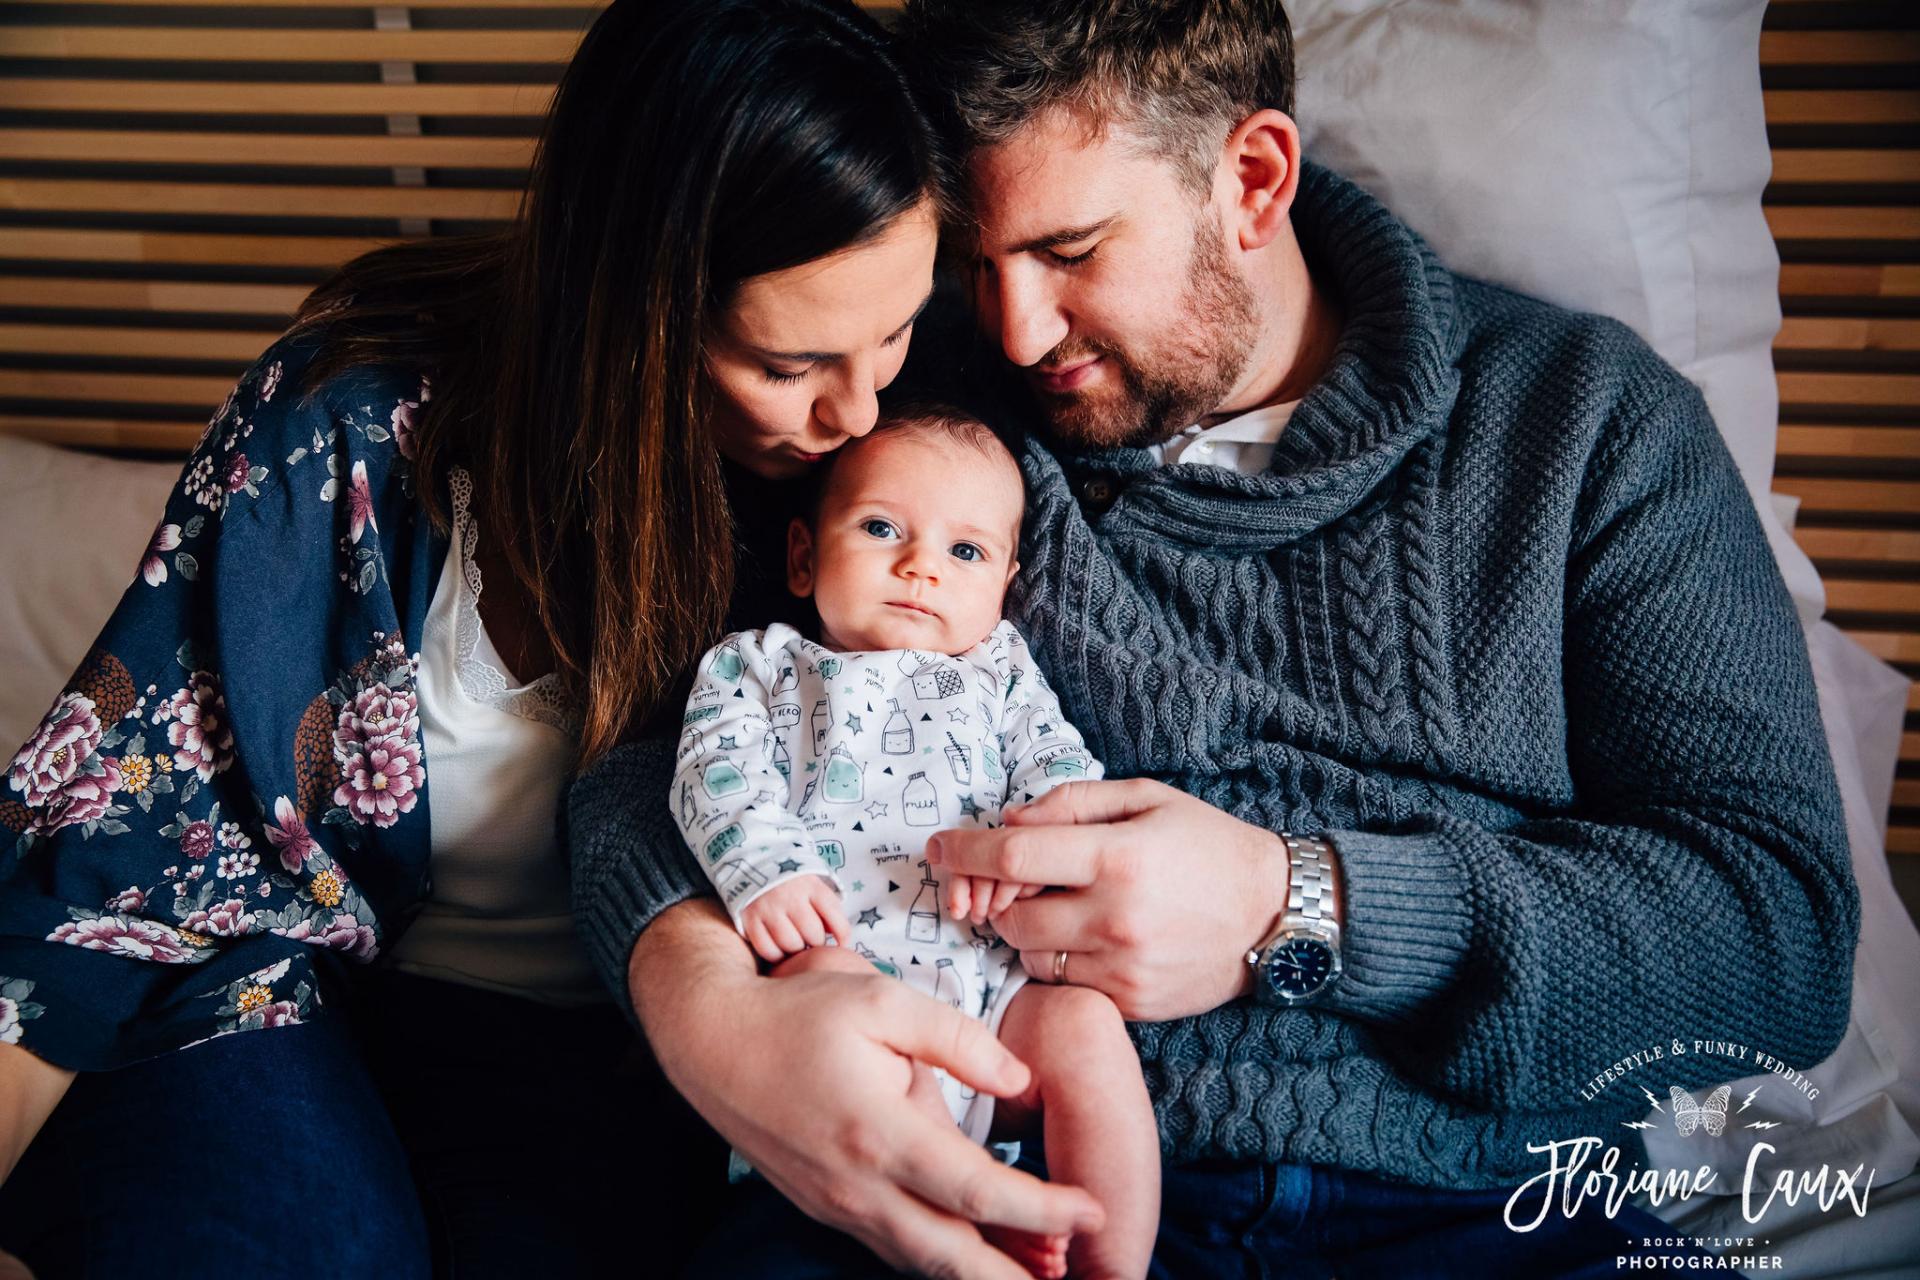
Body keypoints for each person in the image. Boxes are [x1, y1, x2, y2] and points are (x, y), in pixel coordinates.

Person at [564, 0, 1861, 1275]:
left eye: (1070, 250)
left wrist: (1293, 904)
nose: (1017, 329)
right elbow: (669, 736)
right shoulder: (910, 399)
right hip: (1007, 1175)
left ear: (1251, 178)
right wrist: (706, 1000)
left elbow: (1776, 942)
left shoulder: (1586, 427)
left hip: (1474, 1209)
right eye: (978, 258)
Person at [0, 1, 1102, 1275]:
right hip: (286, 984)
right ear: (639, 311)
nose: (858, 410)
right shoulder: (349, 427)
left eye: (897, 331)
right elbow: (104, 836)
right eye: (789, 361)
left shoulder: (887, 472)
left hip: (617, 1061)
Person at [676, 408, 1159, 1279]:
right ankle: (960, 1192)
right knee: (829, 986)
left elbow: (1059, 771)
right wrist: (765, 875)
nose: (920, 567)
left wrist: (1027, 856)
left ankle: (1109, 1257)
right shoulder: (757, 665)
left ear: (1006, 584)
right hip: (836, 955)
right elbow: (714, 775)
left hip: (996, 983)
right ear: (802, 556)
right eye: (881, 528)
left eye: (964, 553)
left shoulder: (1003, 671)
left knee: (1086, 1029)